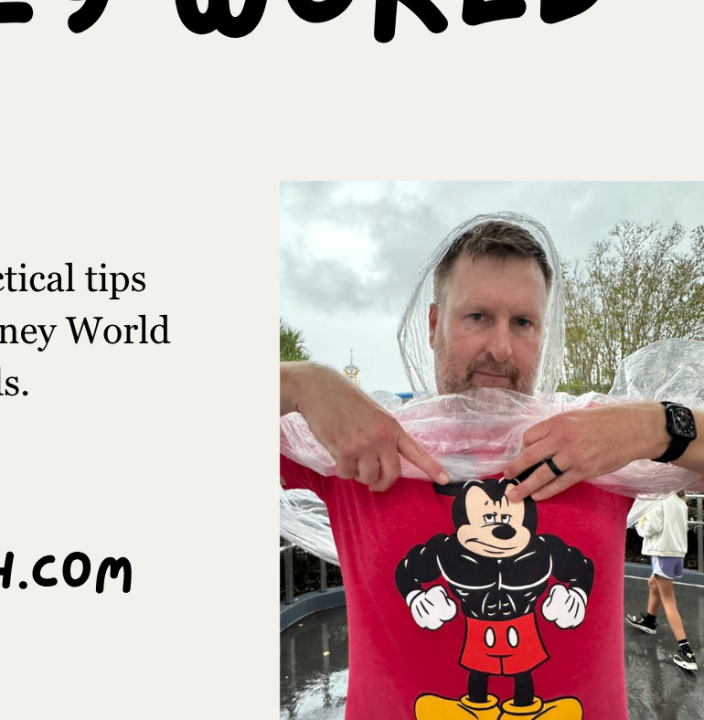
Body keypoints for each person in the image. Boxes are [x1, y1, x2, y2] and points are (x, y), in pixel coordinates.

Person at [281, 216, 704, 720]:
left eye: (523, 323)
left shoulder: (596, 444)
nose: (501, 348)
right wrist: (300, 382)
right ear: (434, 324)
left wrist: (654, 427)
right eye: (478, 316)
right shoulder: (361, 448)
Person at [628, 491, 697, 672]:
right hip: (676, 553)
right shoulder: (680, 503)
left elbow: (652, 526)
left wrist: (639, 527)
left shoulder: (657, 500)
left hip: (662, 551)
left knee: (668, 599)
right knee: (653, 583)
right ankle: (649, 620)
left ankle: (686, 651)